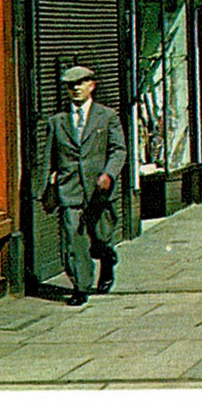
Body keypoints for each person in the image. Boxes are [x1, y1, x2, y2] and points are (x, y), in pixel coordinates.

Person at [44, 65, 127, 305]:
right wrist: (46, 191)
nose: (75, 89)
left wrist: (109, 174)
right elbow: (48, 158)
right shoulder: (57, 122)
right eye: (71, 85)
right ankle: (81, 286)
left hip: (99, 191)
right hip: (70, 190)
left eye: (80, 83)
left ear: (92, 85)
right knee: (74, 238)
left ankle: (108, 259)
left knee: (100, 237)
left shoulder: (107, 116)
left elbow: (118, 149)